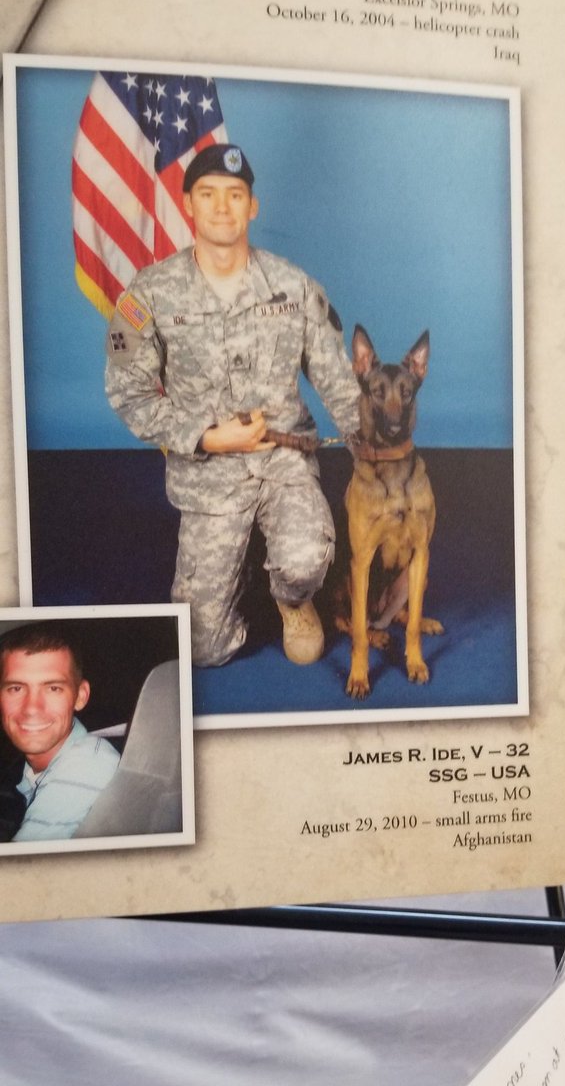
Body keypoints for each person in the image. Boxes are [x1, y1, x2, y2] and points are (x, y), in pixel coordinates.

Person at [106, 143, 361, 667]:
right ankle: (234, 577)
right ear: (188, 205)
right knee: (201, 651)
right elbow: (128, 393)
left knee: (308, 557)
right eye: (208, 194)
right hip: (209, 478)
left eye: (235, 194)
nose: (222, 207)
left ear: (253, 207)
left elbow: (339, 383)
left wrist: (376, 451)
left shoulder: (293, 286)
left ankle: (293, 599)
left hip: (284, 462)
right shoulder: (150, 294)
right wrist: (207, 436)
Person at [0, 623, 120, 842]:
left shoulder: (87, 764)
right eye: (16, 688)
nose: (31, 708)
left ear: (80, 696)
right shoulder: (29, 770)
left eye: (53, 688)